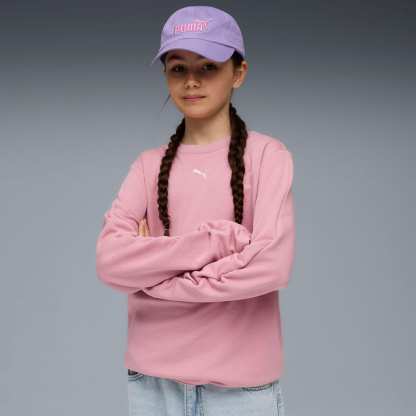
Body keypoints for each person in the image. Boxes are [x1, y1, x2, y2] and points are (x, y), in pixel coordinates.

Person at [95, 5, 295, 416]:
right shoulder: (148, 166)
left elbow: (271, 265)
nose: (191, 80)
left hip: (240, 391)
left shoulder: (267, 157)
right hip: (153, 384)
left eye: (208, 67)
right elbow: (111, 261)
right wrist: (217, 244)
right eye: (177, 67)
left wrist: (157, 280)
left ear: (238, 73)